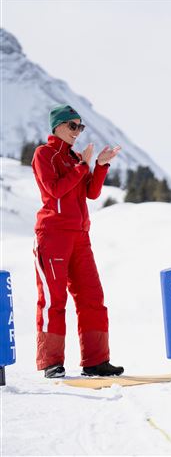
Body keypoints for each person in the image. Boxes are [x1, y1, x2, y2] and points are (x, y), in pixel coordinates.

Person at [32, 104, 124, 378]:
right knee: (53, 300)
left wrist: (100, 165)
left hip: (80, 237)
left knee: (92, 298)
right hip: (53, 235)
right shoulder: (44, 154)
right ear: (57, 127)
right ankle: (51, 362)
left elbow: (92, 194)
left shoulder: (74, 158)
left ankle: (96, 361)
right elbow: (55, 190)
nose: (77, 131)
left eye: (80, 127)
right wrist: (82, 166)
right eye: (73, 126)